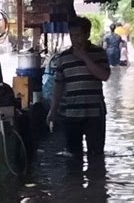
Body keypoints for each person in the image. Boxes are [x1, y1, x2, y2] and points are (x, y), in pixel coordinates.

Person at [46, 16, 110, 157]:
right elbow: (58, 86)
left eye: (79, 35)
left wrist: (85, 57)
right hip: (71, 113)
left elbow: (104, 76)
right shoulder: (63, 58)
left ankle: (96, 179)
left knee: (97, 156)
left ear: (87, 35)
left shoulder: (99, 53)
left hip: (95, 113)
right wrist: (53, 110)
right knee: (73, 157)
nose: (75, 39)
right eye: (72, 35)